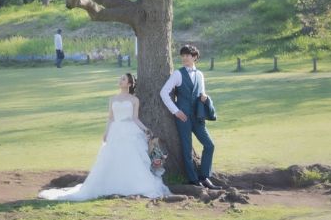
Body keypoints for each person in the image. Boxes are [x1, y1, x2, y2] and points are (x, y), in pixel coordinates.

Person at [39, 73, 171, 201]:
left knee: (131, 158)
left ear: (129, 84)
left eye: (123, 79)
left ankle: (133, 184)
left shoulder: (134, 100)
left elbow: (135, 118)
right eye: (120, 79)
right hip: (116, 131)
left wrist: (145, 129)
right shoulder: (113, 99)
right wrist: (106, 132)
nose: (120, 81)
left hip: (130, 130)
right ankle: (111, 184)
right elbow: (110, 118)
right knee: (112, 157)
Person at [159, 43, 218, 189]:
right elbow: (163, 92)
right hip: (183, 117)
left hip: (198, 117)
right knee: (186, 149)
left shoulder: (200, 74)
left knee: (209, 145)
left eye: (187, 55)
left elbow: (200, 93)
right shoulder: (178, 74)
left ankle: (204, 176)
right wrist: (175, 111)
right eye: (183, 56)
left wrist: (205, 97)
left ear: (194, 57)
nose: (184, 58)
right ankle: (193, 179)